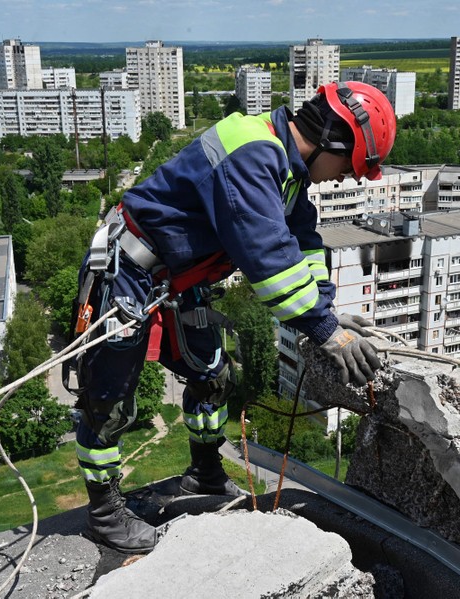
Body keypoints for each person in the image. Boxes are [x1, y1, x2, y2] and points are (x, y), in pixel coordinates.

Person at [67, 81, 397, 554]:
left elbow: (303, 244)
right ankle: (104, 514)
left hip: (175, 279)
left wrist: (329, 313)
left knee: (213, 376)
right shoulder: (250, 152)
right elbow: (269, 262)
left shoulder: (285, 169)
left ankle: (203, 474)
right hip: (129, 273)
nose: (345, 178)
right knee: (109, 401)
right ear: (332, 139)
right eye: (350, 166)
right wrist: (327, 333)